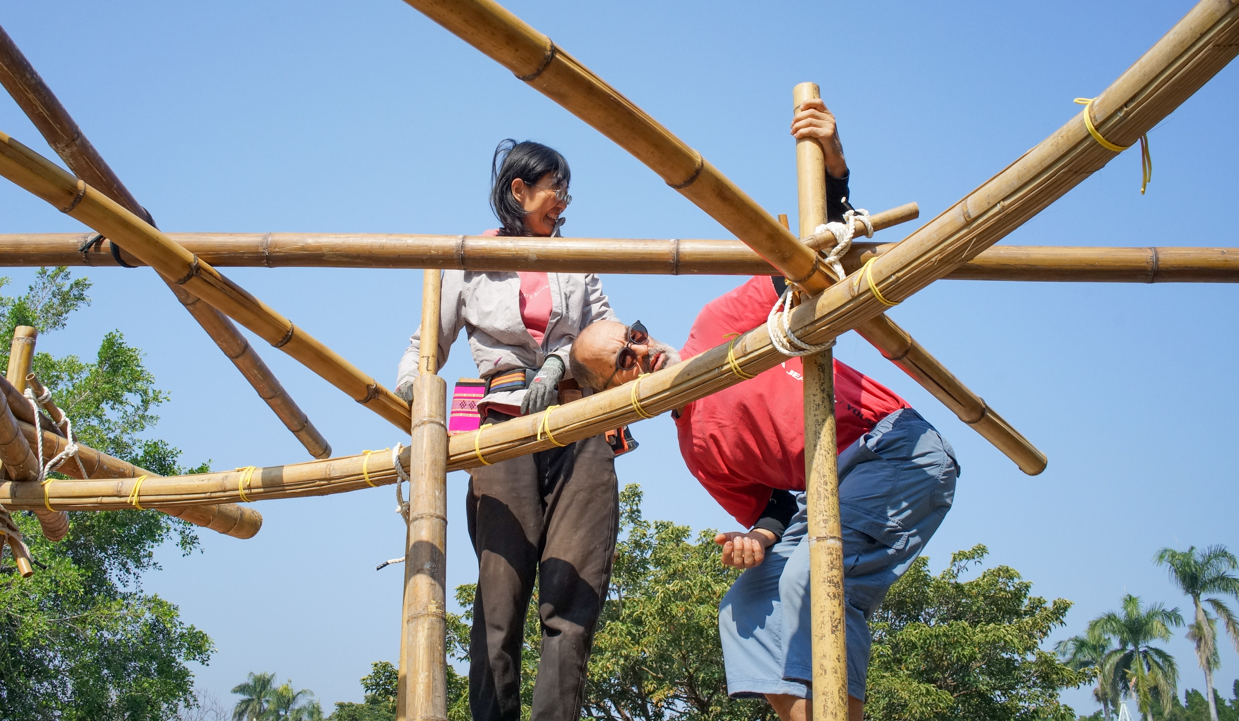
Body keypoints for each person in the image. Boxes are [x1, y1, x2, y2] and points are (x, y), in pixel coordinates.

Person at [566, 98, 959, 721]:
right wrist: (757, 539)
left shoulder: (717, 326)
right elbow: (777, 507)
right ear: (614, 400)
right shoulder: (698, 452)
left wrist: (833, 165)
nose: (643, 351)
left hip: (896, 450)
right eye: (624, 360)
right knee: (747, 604)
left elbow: (812, 259)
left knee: (813, 575)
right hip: (826, 489)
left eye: (635, 333)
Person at [395, 139, 623, 721]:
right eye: (555, 190)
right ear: (519, 191)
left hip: (578, 421)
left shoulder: (579, 260)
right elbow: (426, 348)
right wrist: (413, 411)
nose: (563, 203)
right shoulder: (469, 257)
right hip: (502, 426)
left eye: (567, 192)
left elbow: (608, 337)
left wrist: (562, 360)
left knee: (570, 604)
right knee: (500, 602)